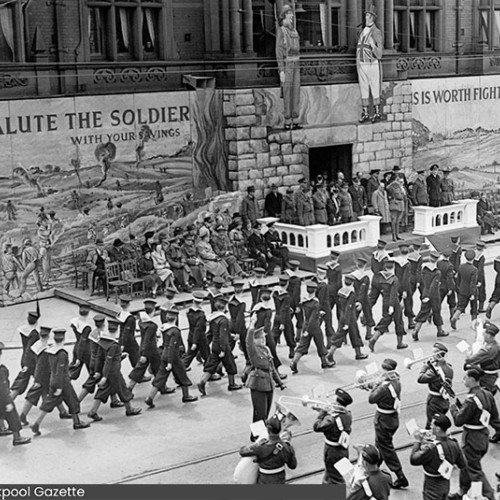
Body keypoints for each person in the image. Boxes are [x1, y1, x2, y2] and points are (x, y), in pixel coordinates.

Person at [449, 368, 499, 500]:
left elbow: (458, 421)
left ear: (471, 379)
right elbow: (495, 417)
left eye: (465, 378)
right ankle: (462, 491)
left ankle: (489, 495)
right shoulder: (487, 394)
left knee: (474, 470)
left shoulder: (471, 400)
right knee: (467, 465)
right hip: (483, 435)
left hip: (471, 438)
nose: (463, 380)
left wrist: (453, 408)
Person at [30, 329, 90, 436]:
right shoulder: (62, 353)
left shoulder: (50, 350)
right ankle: (77, 422)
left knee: (48, 403)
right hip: (63, 382)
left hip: (52, 380)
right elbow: (60, 371)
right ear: (64, 339)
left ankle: (37, 423)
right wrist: (59, 387)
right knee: (73, 401)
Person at [86, 320, 142, 421]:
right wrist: (104, 377)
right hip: (114, 372)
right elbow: (109, 361)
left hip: (106, 371)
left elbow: (99, 357)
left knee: (102, 391)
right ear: (116, 330)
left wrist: (98, 371)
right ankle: (129, 409)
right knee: (123, 390)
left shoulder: (102, 342)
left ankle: (93, 411)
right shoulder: (114, 345)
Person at [368, 358, 409, 489]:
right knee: (380, 445)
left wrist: (374, 386)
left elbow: (372, 398)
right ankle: (374, 469)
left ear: (386, 370)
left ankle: (400, 475)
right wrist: (370, 385)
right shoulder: (396, 381)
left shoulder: (384, 387)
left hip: (383, 420)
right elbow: (382, 391)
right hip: (392, 418)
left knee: (386, 448)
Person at [146, 306, 197, 407]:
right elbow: (172, 347)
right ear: (176, 318)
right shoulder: (175, 331)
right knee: (182, 375)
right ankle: (186, 396)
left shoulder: (164, 327)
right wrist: (170, 362)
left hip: (164, 354)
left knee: (160, 377)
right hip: (173, 356)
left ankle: (150, 397)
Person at [410, 414, 466, 500]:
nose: (430, 426)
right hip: (445, 483)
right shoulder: (454, 444)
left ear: (438, 429)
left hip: (432, 486)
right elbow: (462, 464)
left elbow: (413, 459)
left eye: (432, 425)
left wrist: (418, 441)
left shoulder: (431, 448)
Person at [197, 296, 243, 396]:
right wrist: (223, 350)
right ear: (224, 307)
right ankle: (232, 384)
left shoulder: (213, 318)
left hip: (215, 345)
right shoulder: (224, 320)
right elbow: (222, 336)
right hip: (223, 346)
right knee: (230, 364)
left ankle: (202, 381)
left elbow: (212, 333)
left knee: (212, 365)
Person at [245, 319, 285, 431]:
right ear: (255, 340)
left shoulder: (266, 350)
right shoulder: (253, 350)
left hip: (268, 383)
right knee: (260, 413)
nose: (263, 340)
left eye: (264, 337)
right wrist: (251, 327)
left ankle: (260, 435)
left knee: (266, 412)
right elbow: (248, 342)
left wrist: (279, 383)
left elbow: (271, 368)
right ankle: (257, 436)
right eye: (261, 338)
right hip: (258, 383)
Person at [290, 281, 334, 373]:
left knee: (302, 345)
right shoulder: (316, 304)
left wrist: (306, 330)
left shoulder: (304, 301)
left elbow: (308, 315)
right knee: (320, 344)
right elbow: (313, 319)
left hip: (305, 325)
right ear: (315, 290)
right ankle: (324, 362)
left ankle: (294, 361)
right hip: (314, 327)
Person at [240, 414, 297, 483]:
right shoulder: (286, 447)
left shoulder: (260, 447)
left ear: (268, 430)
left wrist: (257, 443)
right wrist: (288, 445)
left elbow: (242, 451)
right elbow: (293, 465)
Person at [313, 388, 353, 484]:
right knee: (331, 473)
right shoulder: (347, 414)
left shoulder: (331, 419)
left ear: (338, 404)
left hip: (332, 452)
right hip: (342, 449)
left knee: (336, 478)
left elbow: (316, 427)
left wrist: (322, 412)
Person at [369, 260, 408, 352]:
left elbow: (377, 289)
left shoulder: (380, 278)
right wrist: (392, 306)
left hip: (384, 301)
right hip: (394, 303)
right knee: (399, 322)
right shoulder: (394, 279)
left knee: (385, 320)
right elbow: (393, 294)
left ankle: (374, 338)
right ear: (393, 268)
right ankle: (400, 343)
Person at [356, 4, 383, 123]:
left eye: (368, 16)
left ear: (372, 17)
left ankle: (377, 112)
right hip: (362, 64)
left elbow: (380, 53)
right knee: (364, 88)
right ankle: (365, 113)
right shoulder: (362, 31)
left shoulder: (376, 32)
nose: (366, 18)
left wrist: (373, 46)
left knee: (374, 87)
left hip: (372, 64)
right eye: (366, 16)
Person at [0, 342, 31, 446]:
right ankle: (17, 437)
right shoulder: (1, 370)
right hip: (2, 399)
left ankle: (1, 429)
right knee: (13, 417)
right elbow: (3, 388)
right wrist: (8, 402)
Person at [275, 4, 301, 131]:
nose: (291, 15)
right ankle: (286, 121)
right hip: (287, 64)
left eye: (291, 13)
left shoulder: (294, 30)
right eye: (289, 13)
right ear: (284, 16)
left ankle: (295, 120)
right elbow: (279, 50)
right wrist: (281, 70)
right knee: (287, 92)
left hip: (296, 63)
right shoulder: (281, 30)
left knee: (296, 91)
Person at [417, 343, 454, 429]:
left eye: (433, 353)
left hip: (435, 401)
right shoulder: (449, 366)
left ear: (438, 354)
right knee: (440, 423)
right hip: (444, 400)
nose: (431, 355)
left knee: (431, 425)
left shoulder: (435, 371)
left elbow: (420, 378)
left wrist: (425, 366)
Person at [412, 251, 447, 341]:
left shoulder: (424, 268)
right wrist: (429, 296)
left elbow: (420, 279)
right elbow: (433, 286)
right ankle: (440, 331)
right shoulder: (437, 272)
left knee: (423, 312)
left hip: (424, 292)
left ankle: (415, 330)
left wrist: (425, 295)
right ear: (437, 259)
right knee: (436, 312)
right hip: (434, 295)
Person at [128, 300, 161, 390]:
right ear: (153, 311)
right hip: (151, 350)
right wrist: (144, 354)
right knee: (158, 369)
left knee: (139, 370)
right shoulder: (152, 326)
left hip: (143, 348)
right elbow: (147, 339)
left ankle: (129, 387)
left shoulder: (141, 321)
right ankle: (161, 387)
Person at [464, 320, 500, 401]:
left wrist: (468, 354)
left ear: (488, 335)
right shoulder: (496, 346)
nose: (483, 335)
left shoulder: (487, 350)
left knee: (481, 400)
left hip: (486, 379)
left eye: (485, 333)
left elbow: (470, 360)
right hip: (493, 377)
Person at [10, 311, 40, 400]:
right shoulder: (34, 333)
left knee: (20, 384)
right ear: (37, 321)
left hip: (25, 359)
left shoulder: (24, 330)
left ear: (27, 319)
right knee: (42, 382)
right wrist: (27, 364)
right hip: (31, 362)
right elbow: (29, 349)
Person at [450, 250, 478, 330]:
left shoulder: (461, 266)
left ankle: (454, 318)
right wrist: (472, 294)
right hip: (471, 291)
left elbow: (458, 278)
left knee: (461, 307)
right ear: (473, 258)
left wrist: (459, 287)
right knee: (474, 308)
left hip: (462, 290)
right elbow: (473, 283)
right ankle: (474, 324)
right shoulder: (474, 269)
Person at [183, 291, 210, 370]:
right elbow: (198, 329)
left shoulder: (188, 312)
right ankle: (209, 373)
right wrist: (195, 342)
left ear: (193, 301)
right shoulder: (201, 315)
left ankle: (180, 370)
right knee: (207, 356)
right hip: (200, 338)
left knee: (189, 355)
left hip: (191, 336)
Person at [272, 275, 296, 360]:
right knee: (289, 334)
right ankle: (292, 350)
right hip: (285, 318)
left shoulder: (275, 293)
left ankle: (272, 351)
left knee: (274, 335)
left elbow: (280, 306)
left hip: (276, 316)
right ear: (287, 283)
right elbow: (283, 309)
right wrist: (282, 322)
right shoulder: (286, 296)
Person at [117, 296, 139, 369]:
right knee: (136, 355)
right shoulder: (130, 318)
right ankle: (138, 375)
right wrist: (123, 344)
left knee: (122, 355)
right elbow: (127, 331)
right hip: (129, 340)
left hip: (121, 338)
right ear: (129, 304)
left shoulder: (120, 314)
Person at [438, 248, 457, 323]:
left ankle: (432, 314)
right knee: (452, 302)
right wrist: (450, 288)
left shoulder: (439, 263)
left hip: (440, 284)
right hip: (447, 285)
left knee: (439, 301)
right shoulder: (450, 265)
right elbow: (449, 278)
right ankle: (452, 316)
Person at [386, 175, 405, 241]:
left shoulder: (399, 187)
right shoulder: (392, 186)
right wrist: (392, 182)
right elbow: (387, 188)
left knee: (398, 221)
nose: (398, 181)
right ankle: (393, 235)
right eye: (396, 179)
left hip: (400, 203)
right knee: (393, 220)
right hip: (394, 203)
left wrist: (401, 186)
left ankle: (397, 235)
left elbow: (403, 194)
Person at [473, 241, 487, 313]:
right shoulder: (482, 257)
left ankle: (474, 308)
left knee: (473, 292)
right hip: (479, 276)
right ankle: (480, 308)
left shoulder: (473, 254)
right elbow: (480, 269)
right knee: (481, 292)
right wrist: (480, 280)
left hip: (472, 275)